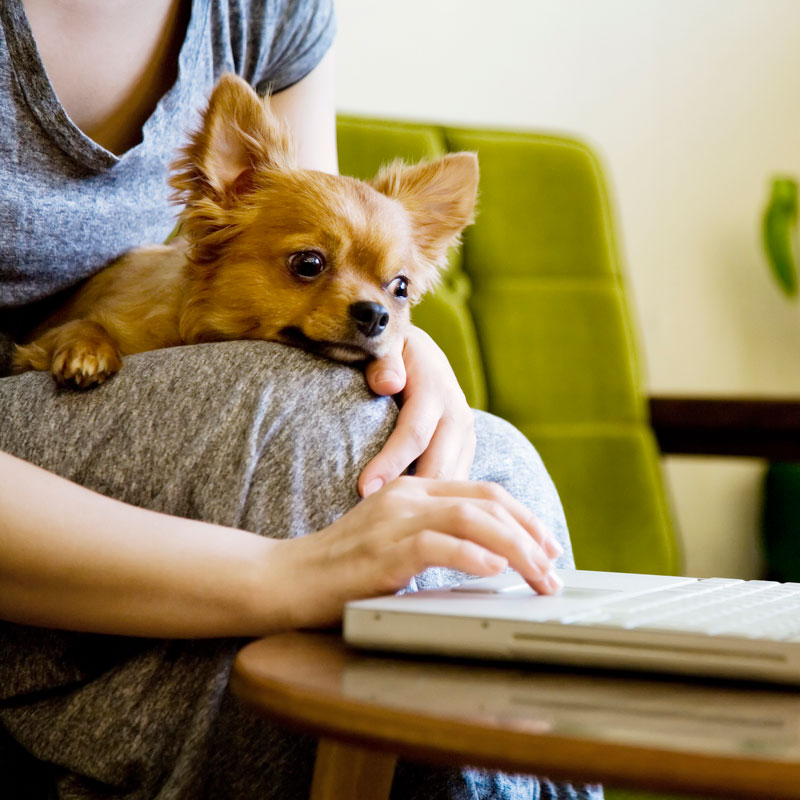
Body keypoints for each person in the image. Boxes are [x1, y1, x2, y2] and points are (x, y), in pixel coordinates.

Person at [0, 1, 602, 798]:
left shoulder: (270, 10)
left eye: (390, 287)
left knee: (495, 462)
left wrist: (409, 350)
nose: (366, 297)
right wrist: (283, 575)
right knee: (313, 450)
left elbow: (330, 214)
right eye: (310, 266)